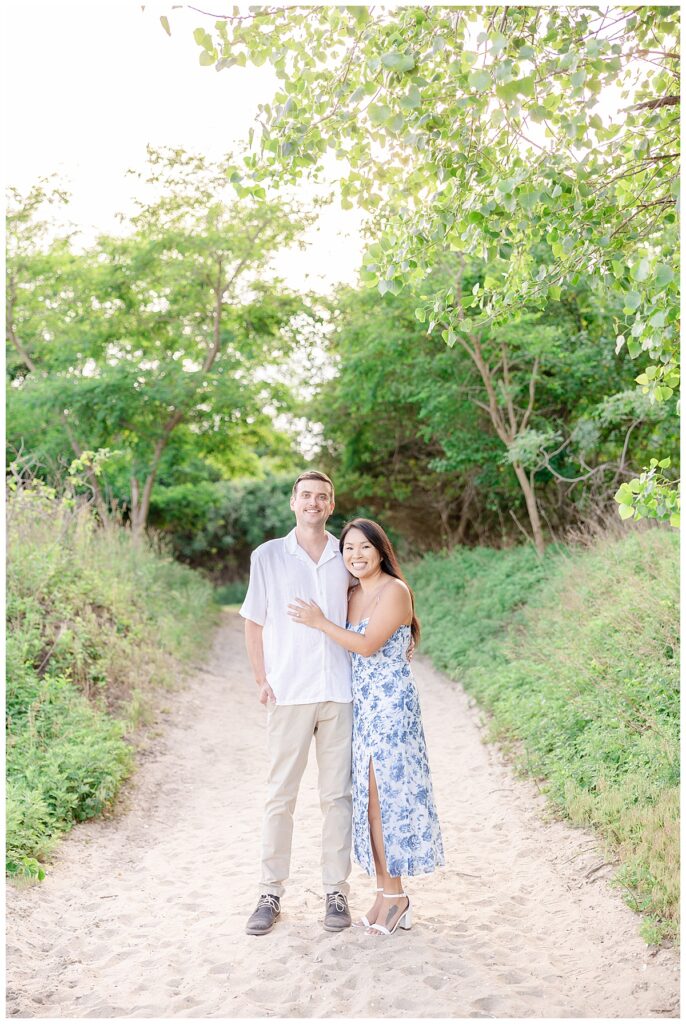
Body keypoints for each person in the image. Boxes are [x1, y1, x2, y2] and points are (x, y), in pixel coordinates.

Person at [289, 517, 444, 937]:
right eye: (349, 549)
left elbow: (367, 645)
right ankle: (385, 893)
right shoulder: (352, 592)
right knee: (369, 802)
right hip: (364, 707)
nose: (356, 556)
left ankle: (396, 896)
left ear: (381, 550)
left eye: (364, 548)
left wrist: (320, 622)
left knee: (385, 799)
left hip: (392, 707)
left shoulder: (395, 591)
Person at [240, 470, 355, 936]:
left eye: (321, 497)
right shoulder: (268, 556)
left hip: (338, 692)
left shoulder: (346, 554)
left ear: (331, 505)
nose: (313, 503)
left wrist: (406, 636)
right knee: (280, 796)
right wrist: (261, 678)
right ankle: (270, 892)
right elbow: (253, 621)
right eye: (305, 495)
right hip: (288, 693)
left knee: (337, 798)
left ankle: (336, 893)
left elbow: (377, 603)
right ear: (293, 502)